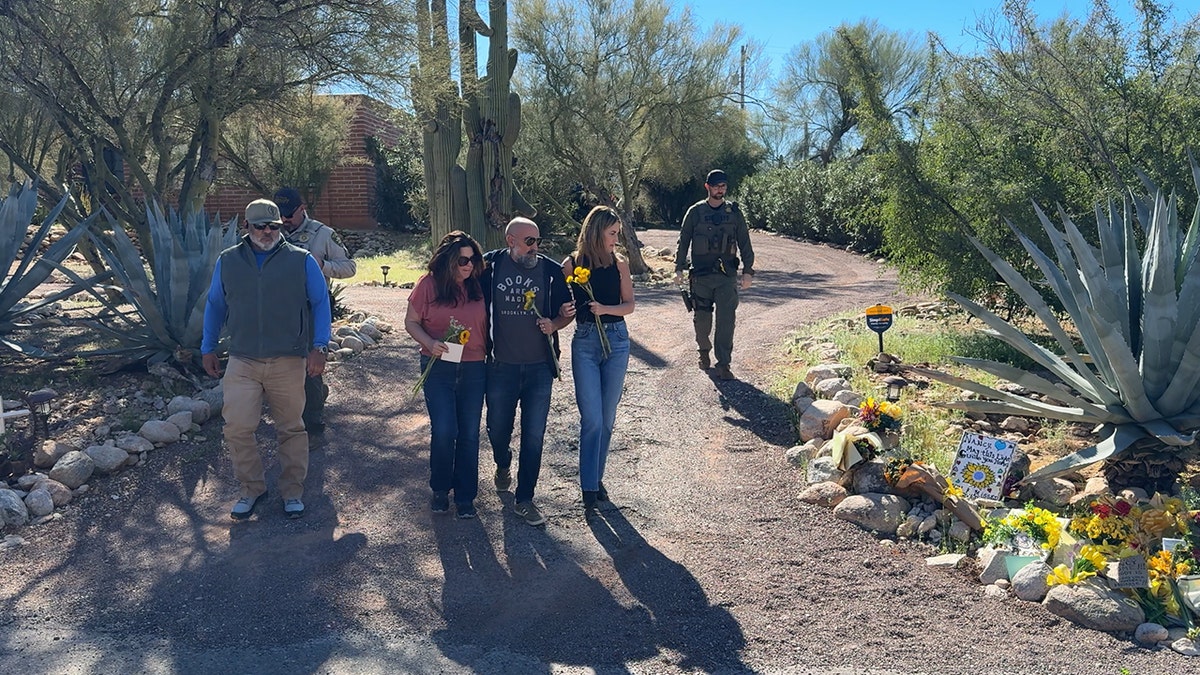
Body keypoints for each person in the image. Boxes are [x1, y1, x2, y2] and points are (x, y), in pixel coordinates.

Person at [201, 198, 332, 520]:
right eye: (260, 225)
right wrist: (208, 347)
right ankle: (251, 489)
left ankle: (292, 492)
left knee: (291, 428)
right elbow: (216, 304)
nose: (267, 231)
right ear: (247, 226)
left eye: (273, 225)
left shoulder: (300, 260)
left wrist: (320, 347)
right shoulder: (228, 261)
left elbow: (320, 302)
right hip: (243, 359)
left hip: (288, 359)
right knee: (237, 428)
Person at [481, 217, 576, 526]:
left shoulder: (549, 271)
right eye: (530, 241)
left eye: (538, 240)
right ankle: (502, 462)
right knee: (497, 428)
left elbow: (566, 312)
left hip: (538, 369)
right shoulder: (490, 267)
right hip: (500, 367)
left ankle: (525, 499)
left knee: (534, 436)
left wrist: (555, 324)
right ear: (511, 241)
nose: (537, 247)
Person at [405, 231, 488, 519]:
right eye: (463, 259)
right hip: (438, 367)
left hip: (475, 366)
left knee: (468, 433)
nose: (469, 265)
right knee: (444, 430)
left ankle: (465, 496)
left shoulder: (478, 284)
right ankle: (440, 489)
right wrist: (429, 343)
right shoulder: (428, 285)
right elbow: (411, 322)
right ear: (449, 260)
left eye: (473, 259)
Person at [564, 206, 635, 513]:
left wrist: (604, 308)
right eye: (612, 233)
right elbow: (558, 299)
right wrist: (562, 313)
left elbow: (629, 305)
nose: (616, 240)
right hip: (585, 343)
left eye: (617, 234)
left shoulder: (620, 264)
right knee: (591, 419)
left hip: (616, 341)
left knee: (607, 419)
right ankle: (588, 486)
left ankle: (595, 477)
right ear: (596, 233)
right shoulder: (572, 263)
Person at [273, 187, 357, 434]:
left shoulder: (322, 234)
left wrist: (323, 265)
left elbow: (350, 267)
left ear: (302, 209)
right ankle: (300, 407)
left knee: (310, 365)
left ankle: (313, 425)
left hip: (311, 307)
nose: (285, 220)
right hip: (278, 309)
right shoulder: (270, 232)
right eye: (280, 215)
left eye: (289, 214)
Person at [674, 169, 755, 381]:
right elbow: (683, 242)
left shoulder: (734, 213)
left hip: (726, 276)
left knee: (726, 320)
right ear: (707, 187)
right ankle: (703, 352)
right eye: (716, 186)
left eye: (723, 186)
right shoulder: (695, 212)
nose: (720, 189)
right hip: (700, 277)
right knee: (702, 321)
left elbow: (745, 243)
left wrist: (748, 271)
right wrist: (678, 268)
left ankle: (724, 364)